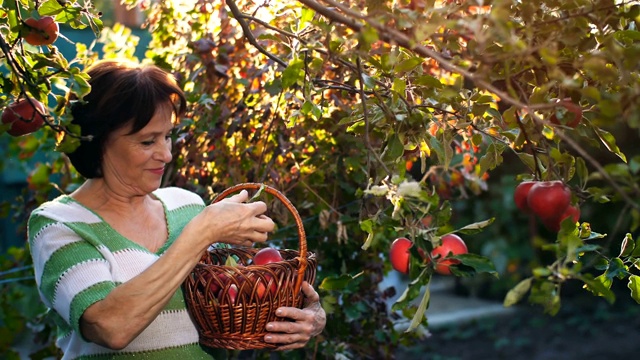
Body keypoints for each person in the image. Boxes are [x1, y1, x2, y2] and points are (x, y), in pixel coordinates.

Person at [27, 59, 326, 359]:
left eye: (167, 136)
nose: (167, 155)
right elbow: (110, 327)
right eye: (148, 141)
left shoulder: (187, 206)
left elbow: (237, 300)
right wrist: (202, 232)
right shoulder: (59, 224)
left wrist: (306, 315)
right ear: (97, 141)